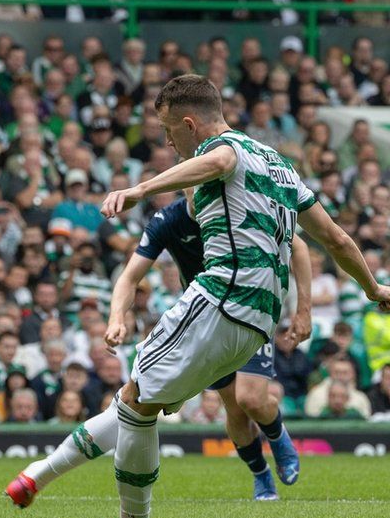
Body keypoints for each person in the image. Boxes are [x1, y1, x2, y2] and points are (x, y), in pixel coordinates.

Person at [6, 74, 390, 518]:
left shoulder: (225, 150)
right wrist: (373, 287)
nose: (169, 141)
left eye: (170, 131)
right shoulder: (282, 165)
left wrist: (139, 189)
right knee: (138, 398)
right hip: (256, 322)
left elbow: (220, 158)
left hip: (220, 298)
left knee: (134, 404)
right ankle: (37, 477)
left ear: (189, 123)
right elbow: (336, 239)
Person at [59, 194, 312, 501]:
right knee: (233, 406)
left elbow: (297, 245)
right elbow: (129, 277)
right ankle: (260, 474)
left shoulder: (239, 202)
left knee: (252, 399)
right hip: (206, 324)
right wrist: (116, 318)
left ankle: (278, 437)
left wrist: (303, 310)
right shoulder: (169, 220)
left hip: (250, 310)